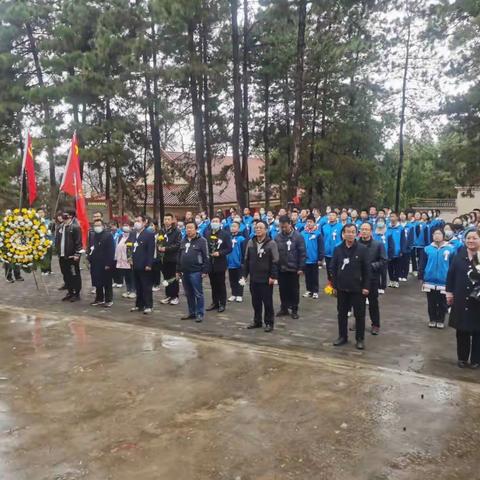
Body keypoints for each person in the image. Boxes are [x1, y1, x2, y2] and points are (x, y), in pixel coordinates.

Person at [331, 224, 370, 350]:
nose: (350, 234)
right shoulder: (338, 249)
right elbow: (333, 268)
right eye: (348, 232)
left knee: (359, 315)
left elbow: (367, 270)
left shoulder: (362, 249)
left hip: (357, 288)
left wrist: (366, 286)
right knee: (341, 314)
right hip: (342, 288)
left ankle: (360, 339)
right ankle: (342, 336)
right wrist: (334, 285)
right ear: (343, 233)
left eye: (353, 232)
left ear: (356, 234)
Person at [446, 228, 480, 368]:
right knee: (462, 329)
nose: (471, 241)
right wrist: (449, 292)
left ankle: (476, 360)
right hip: (460, 297)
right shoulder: (458, 255)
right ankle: (462, 358)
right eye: (468, 238)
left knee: (478, 330)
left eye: (474, 238)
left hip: (477, 300)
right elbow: (451, 275)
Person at [242, 221, 279, 332]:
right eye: (256, 227)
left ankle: (269, 322)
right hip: (254, 278)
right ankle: (257, 321)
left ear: (266, 230)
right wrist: (244, 275)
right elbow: (246, 260)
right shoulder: (250, 242)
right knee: (255, 301)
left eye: (260, 228)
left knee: (267, 302)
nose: (258, 229)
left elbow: (275, 261)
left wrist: (273, 276)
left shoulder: (271, 243)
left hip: (266, 279)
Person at [419, 228, 455, 329]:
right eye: (435, 234)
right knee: (431, 302)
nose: (437, 236)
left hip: (444, 281)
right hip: (429, 280)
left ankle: (440, 320)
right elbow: (422, 264)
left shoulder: (450, 249)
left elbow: (453, 266)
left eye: (439, 234)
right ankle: (432, 319)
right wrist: (421, 277)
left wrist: (452, 280)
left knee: (442, 302)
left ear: (443, 236)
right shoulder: (427, 249)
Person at [176, 221, 210, 322]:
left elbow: (206, 256)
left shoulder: (202, 241)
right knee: (188, 293)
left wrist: (205, 270)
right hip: (184, 271)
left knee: (198, 293)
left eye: (191, 228)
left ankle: (200, 313)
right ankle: (192, 312)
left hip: (196, 271)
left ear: (196, 229)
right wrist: (178, 270)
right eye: (187, 228)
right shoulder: (183, 240)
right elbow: (179, 256)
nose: (188, 230)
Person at [274, 215, 306, 319]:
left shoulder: (298, 236)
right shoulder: (278, 237)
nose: (283, 229)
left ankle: (294, 309)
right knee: (283, 289)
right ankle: (284, 308)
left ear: (290, 225)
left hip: (293, 268)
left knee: (294, 290)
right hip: (282, 268)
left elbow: (302, 253)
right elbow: (275, 253)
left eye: (285, 227)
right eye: (281, 227)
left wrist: (301, 267)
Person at [359, 222, 387, 335]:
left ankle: (375, 324)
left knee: (373, 303)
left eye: (366, 229)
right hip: (358, 278)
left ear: (371, 231)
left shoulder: (378, 244)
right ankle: (359, 323)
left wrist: (372, 266)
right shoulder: (356, 244)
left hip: (372, 278)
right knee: (358, 303)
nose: (364, 231)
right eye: (362, 229)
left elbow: (383, 260)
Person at [204, 216, 232, 313]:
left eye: (216, 221)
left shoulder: (225, 234)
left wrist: (219, 253)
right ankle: (215, 302)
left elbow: (229, 248)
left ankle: (222, 303)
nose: (214, 223)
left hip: (220, 263)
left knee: (221, 284)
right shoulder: (207, 233)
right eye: (213, 221)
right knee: (213, 284)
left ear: (220, 223)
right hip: (210, 263)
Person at [128, 215, 155, 314]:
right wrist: (129, 257)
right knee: (137, 286)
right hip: (134, 264)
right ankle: (139, 305)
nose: (136, 223)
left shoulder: (149, 234)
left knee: (146, 286)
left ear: (144, 222)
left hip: (144, 265)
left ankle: (148, 305)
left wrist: (149, 264)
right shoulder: (133, 233)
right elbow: (129, 246)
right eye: (135, 221)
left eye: (138, 221)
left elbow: (150, 251)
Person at [55, 209, 83, 302]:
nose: (64, 218)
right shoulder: (60, 227)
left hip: (72, 256)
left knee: (74, 275)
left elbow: (78, 243)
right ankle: (70, 292)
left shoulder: (75, 227)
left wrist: (77, 254)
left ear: (70, 217)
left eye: (66, 216)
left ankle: (76, 293)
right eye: (63, 217)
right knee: (66, 275)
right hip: (62, 256)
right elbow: (57, 241)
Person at [88, 219, 115, 307]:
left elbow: (111, 250)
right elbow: (90, 248)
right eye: (95, 225)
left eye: (99, 225)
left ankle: (108, 299)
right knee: (97, 281)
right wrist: (89, 259)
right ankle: (99, 298)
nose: (97, 227)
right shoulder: (92, 235)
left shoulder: (108, 235)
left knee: (107, 282)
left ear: (103, 226)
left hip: (105, 263)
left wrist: (108, 263)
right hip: (95, 262)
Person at [158, 213, 182, 305]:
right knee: (166, 278)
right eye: (165, 219)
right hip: (164, 259)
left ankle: (175, 296)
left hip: (173, 259)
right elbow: (158, 241)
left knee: (173, 278)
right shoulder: (161, 231)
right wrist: (159, 247)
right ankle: (168, 295)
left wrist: (166, 249)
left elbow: (178, 244)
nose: (166, 221)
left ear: (172, 221)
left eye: (168, 219)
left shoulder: (177, 231)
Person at [301, 214, 324, 299]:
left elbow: (321, 247)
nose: (309, 223)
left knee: (314, 276)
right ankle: (309, 290)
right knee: (307, 276)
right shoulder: (303, 233)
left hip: (314, 259)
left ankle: (315, 291)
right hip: (305, 259)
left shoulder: (318, 234)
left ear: (314, 223)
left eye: (311, 222)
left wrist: (320, 258)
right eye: (308, 222)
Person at [115, 221, 136, 299]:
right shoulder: (120, 236)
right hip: (122, 260)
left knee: (131, 275)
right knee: (126, 276)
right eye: (124, 225)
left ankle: (133, 290)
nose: (125, 226)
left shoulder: (133, 235)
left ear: (131, 227)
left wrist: (131, 257)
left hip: (129, 259)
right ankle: (128, 290)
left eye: (127, 225)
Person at [227, 221, 247, 302]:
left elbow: (244, 251)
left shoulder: (241, 239)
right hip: (230, 263)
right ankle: (233, 294)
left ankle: (239, 294)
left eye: (235, 226)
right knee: (232, 279)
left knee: (240, 279)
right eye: (231, 226)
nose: (232, 227)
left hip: (239, 263)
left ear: (238, 228)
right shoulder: (228, 238)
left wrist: (242, 262)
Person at [322, 211, 343, 282]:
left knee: (337, 269)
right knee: (328, 269)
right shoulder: (324, 227)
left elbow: (343, 238)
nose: (331, 217)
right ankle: (330, 284)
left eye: (333, 215)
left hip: (337, 252)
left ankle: (337, 285)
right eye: (329, 215)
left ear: (337, 217)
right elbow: (322, 239)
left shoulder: (340, 226)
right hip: (327, 252)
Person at [386, 212, 404, 288]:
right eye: (390, 216)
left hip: (397, 251)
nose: (391, 218)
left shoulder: (401, 228)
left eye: (393, 216)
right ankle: (391, 280)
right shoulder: (387, 227)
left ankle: (396, 281)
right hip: (389, 251)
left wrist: (402, 250)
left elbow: (403, 240)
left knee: (397, 267)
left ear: (397, 217)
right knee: (389, 267)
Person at [37, 207, 53, 275]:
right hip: (40, 242)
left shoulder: (48, 221)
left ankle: (49, 270)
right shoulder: (36, 222)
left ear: (44, 213)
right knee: (42, 256)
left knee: (49, 256)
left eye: (42, 212)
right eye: (39, 212)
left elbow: (52, 230)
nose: (41, 214)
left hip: (49, 241)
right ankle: (43, 270)